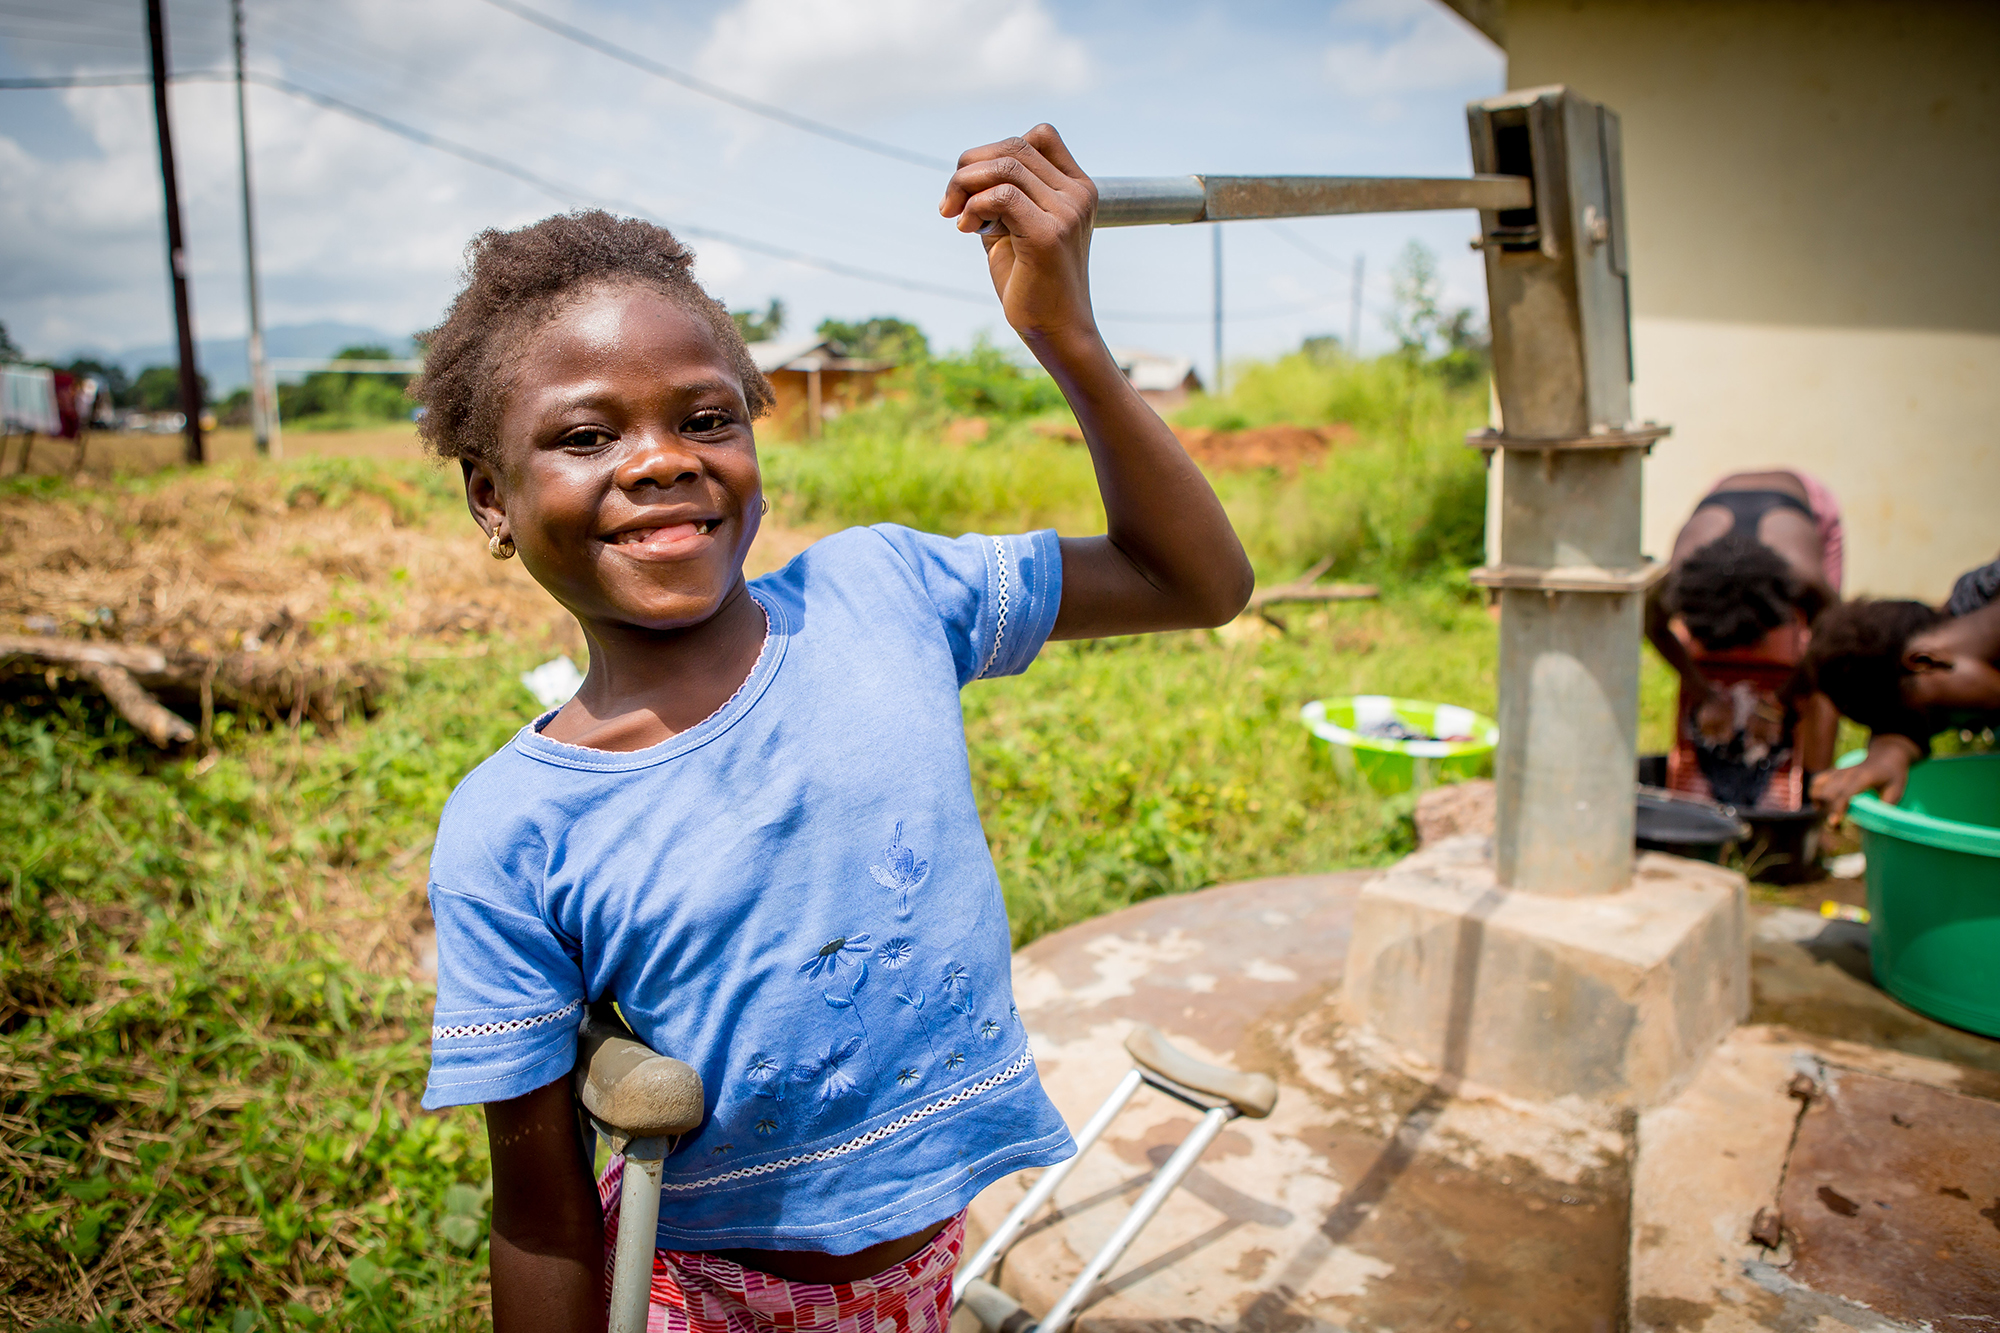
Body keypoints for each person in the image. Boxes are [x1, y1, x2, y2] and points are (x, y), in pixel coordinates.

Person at [410, 126, 1254, 1333]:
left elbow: (1193, 581)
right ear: (491, 497)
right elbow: (540, 1214)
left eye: (706, 418)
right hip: (699, 1296)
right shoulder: (511, 827)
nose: (660, 461)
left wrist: (1061, 332)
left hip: (921, 1272)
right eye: (587, 436)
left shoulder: (884, 593)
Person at [1645, 471, 1844, 810]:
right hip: (1720, 495)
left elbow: (1832, 645)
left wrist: (1779, 700)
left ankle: (1817, 797)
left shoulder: (1805, 578)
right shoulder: (1680, 576)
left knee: (1826, 685)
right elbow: (1652, 626)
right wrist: (1702, 691)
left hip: (1806, 505)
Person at [1805, 553, 2000, 818]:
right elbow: (1909, 726)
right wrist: (1889, 751)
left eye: (1943, 715)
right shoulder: (1964, 624)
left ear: (1923, 661)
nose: (1973, 727)